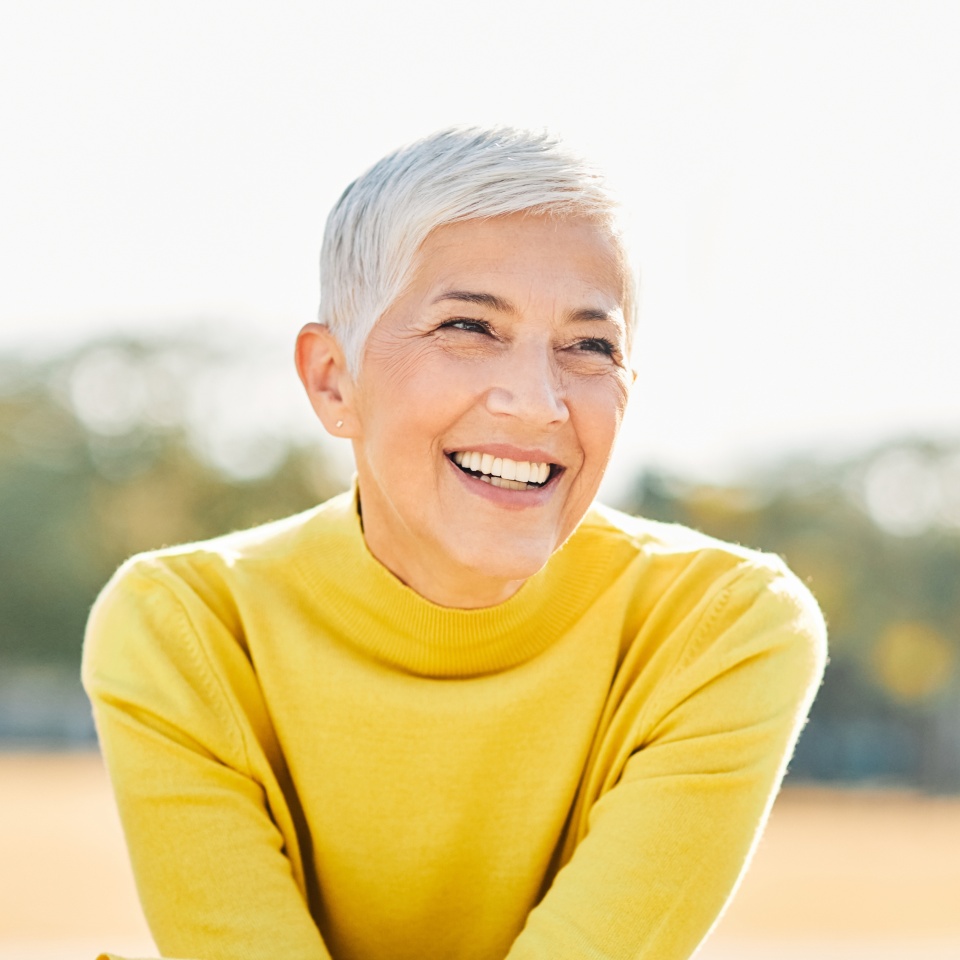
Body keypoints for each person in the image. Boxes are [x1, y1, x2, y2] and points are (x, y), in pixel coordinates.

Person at [83, 127, 827, 960]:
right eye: (468, 327)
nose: (538, 402)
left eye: (590, 345)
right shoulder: (187, 627)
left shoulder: (721, 627)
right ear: (333, 379)